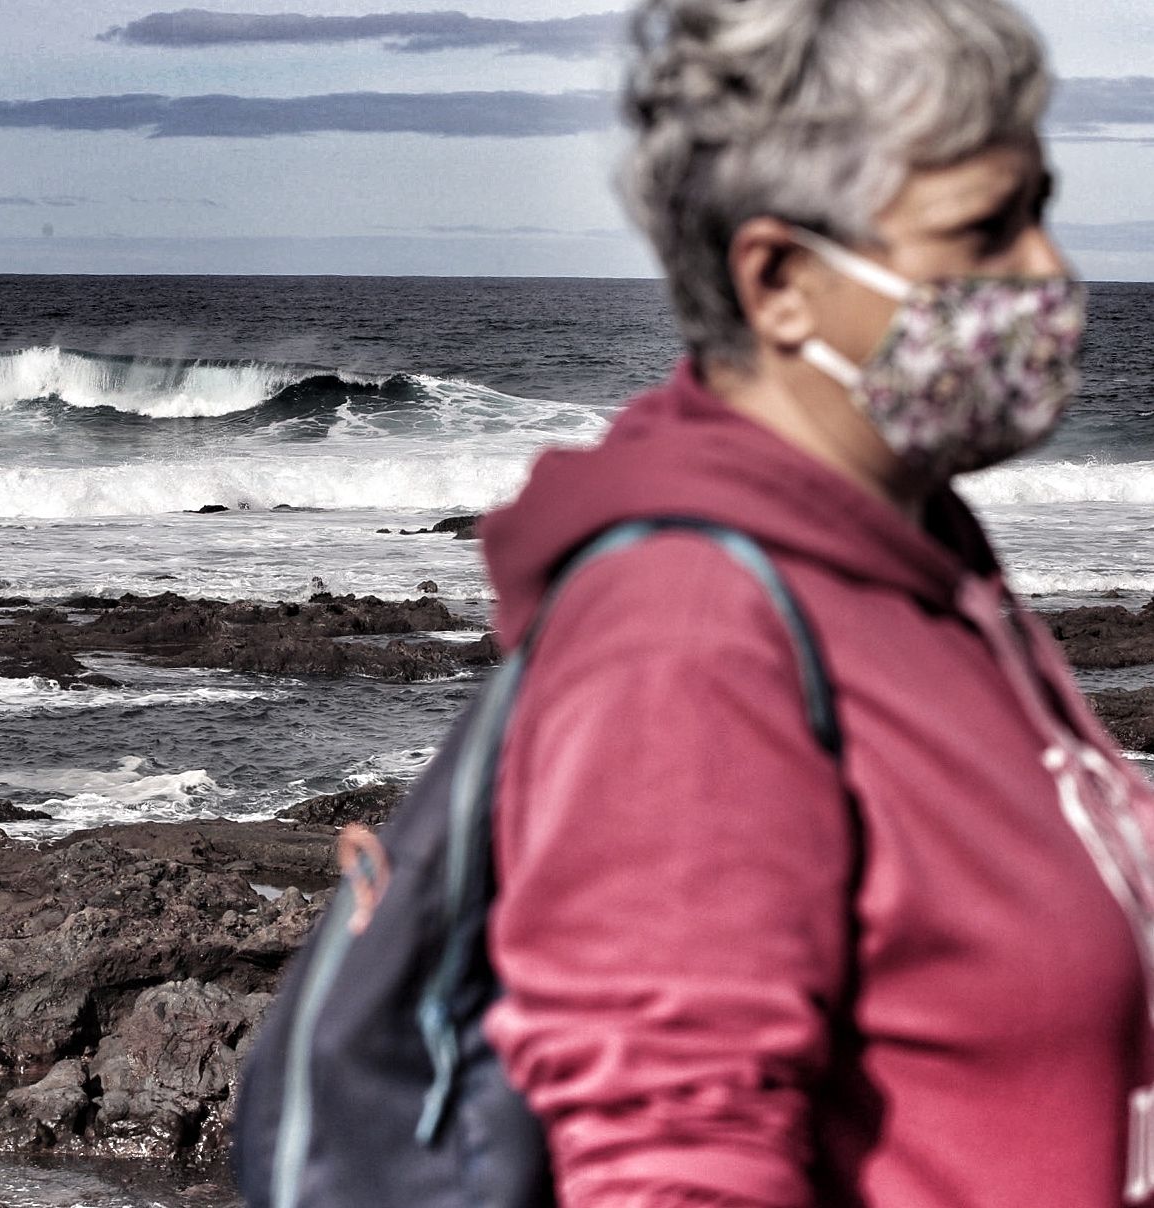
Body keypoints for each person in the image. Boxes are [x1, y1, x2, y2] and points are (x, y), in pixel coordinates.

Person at [478, 0, 1152, 1205]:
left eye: (1041, 208)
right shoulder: (686, 630)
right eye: (986, 230)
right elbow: (669, 1163)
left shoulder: (928, 555)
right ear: (780, 278)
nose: (1048, 272)